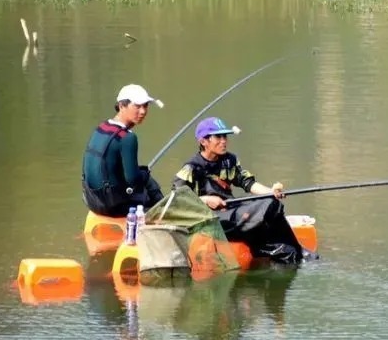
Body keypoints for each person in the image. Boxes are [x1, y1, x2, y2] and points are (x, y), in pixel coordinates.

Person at [171, 117, 311, 264]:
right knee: (266, 207)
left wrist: (271, 191)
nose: (223, 140)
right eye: (218, 137)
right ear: (203, 141)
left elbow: (248, 183)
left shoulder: (229, 160)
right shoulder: (191, 167)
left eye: (225, 136)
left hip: (229, 210)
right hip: (209, 219)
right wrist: (205, 200)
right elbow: (177, 199)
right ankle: (289, 251)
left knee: (271, 202)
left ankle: (292, 250)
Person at [82, 84, 165, 217]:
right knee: (146, 179)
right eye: (137, 106)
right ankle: (166, 215)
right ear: (121, 106)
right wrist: (144, 175)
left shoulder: (102, 127)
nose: (143, 111)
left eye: (145, 106)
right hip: (111, 206)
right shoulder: (128, 138)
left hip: (91, 199)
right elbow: (133, 180)